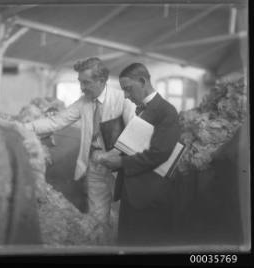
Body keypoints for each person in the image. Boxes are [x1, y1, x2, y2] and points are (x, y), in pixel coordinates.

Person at [16, 57, 136, 239]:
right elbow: (56, 121)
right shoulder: (84, 102)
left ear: (101, 81)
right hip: (95, 166)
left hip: (120, 170)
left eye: (86, 82)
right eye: (80, 82)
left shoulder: (123, 101)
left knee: (126, 216)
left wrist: (114, 157)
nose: (82, 87)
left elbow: (134, 137)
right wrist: (20, 127)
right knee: (97, 219)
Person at [98, 63, 181, 245]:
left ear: (143, 81)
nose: (126, 96)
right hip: (133, 190)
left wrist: (120, 163)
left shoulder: (166, 111)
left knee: (144, 245)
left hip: (150, 196)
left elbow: (159, 153)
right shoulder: (142, 109)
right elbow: (133, 145)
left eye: (128, 89)